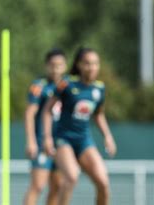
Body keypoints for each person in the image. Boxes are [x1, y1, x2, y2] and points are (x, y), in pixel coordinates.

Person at [43, 48, 117, 205]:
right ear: (79, 65)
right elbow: (48, 110)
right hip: (63, 139)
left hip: (84, 140)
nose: (92, 67)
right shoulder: (67, 84)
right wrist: (48, 138)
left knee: (103, 182)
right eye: (88, 63)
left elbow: (98, 114)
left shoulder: (99, 88)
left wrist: (108, 136)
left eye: (95, 63)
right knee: (71, 176)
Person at [23, 49, 65, 205]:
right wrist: (31, 141)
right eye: (52, 65)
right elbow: (29, 113)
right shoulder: (39, 86)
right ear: (47, 66)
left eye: (59, 65)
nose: (56, 69)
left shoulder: (68, 86)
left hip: (61, 144)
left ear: (65, 66)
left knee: (58, 187)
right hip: (42, 143)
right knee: (38, 185)